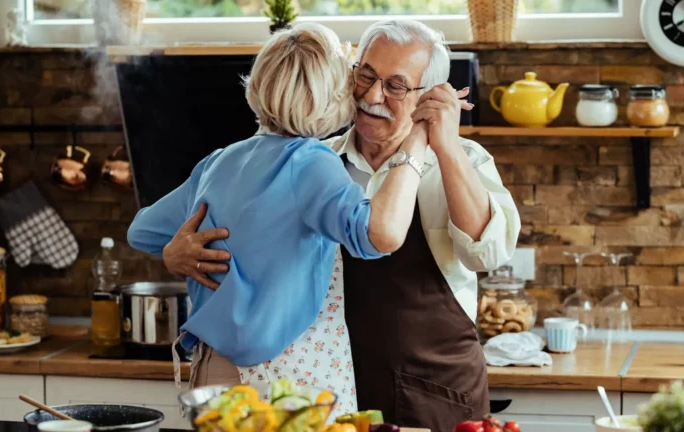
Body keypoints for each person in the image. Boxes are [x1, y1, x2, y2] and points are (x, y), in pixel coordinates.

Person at [160, 19, 521, 432]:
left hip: (433, 393)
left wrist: (445, 144)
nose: (372, 95)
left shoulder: (463, 159)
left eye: (396, 86)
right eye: (365, 75)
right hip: (327, 389)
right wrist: (174, 252)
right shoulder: (312, 160)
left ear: (426, 96)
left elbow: (487, 253)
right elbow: (241, 241)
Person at [126, 22, 434, 418]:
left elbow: (142, 231)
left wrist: (174, 253)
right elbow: (381, 235)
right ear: (332, 98)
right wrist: (416, 141)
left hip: (211, 373)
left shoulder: (219, 161)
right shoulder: (312, 162)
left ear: (258, 86)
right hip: (286, 383)